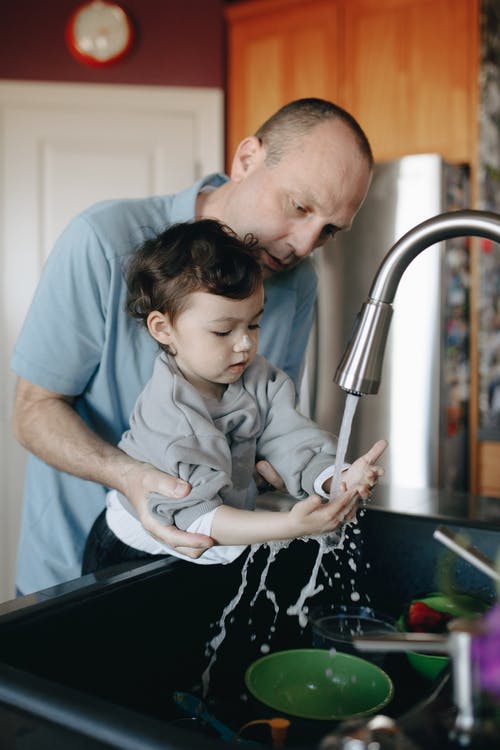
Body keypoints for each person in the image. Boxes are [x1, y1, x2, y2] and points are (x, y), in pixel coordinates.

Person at [11, 97, 373, 595]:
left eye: (329, 228)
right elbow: (33, 410)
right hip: (77, 563)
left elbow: (268, 418)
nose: (305, 244)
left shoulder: (297, 282)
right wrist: (132, 477)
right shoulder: (102, 240)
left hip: (202, 560)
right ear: (246, 159)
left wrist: (316, 472)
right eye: (299, 206)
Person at [82, 219, 386, 572]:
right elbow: (196, 518)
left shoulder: (260, 379)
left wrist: (337, 478)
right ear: (163, 329)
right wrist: (291, 526)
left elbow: (292, 439)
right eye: (223, 330)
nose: (245, 344)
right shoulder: (171, 414)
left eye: (253, 324)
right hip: (132, 551)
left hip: (214, 537)